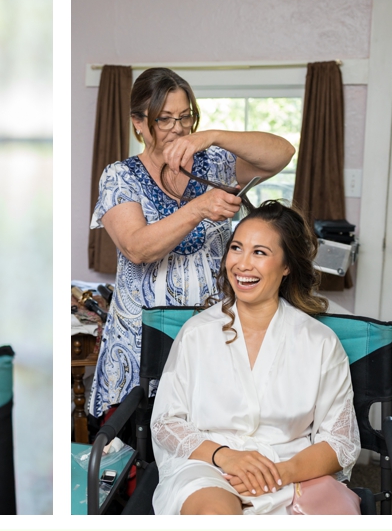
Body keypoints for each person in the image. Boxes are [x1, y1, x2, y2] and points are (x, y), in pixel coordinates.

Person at [89, 68, 295, 415]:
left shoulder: (215, 163)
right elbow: (138, 248)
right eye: (165, 119)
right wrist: (199, 207)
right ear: (138, 122)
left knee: (209, 436)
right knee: (142, 449)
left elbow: (282, 153)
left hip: (213, 332)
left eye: (185, 117)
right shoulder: (120, 176)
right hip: (143, 340)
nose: (178, 128)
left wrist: (212, 136)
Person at [151, 201, 360, 515]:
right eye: (236, 248)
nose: (242, 264)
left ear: (287, 265)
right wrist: (227, 456)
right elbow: (166, 423)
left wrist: (278, 474)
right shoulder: (197, 334)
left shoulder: (320, 342)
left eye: (260, 252)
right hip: (209, 465)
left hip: (292, 469)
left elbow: (341, 442)